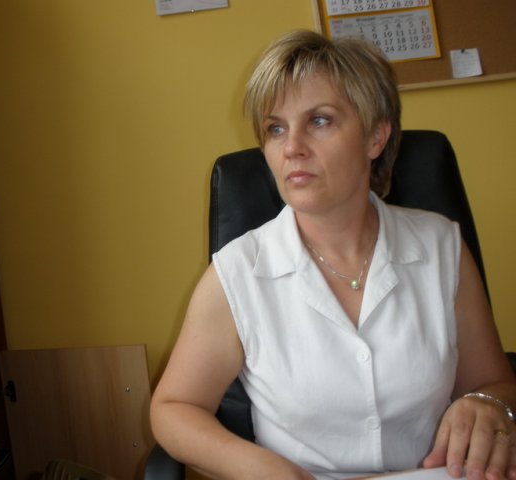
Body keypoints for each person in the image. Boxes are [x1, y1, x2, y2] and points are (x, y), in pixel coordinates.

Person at [150, 29, 516, 480]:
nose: (292, 148)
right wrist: (259, 467)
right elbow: (173, 407)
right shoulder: (238, 272)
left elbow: (494, 383)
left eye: (319, 121)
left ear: (376, 136)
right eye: (276, 128)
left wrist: (488, 404)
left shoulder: (442, 247)